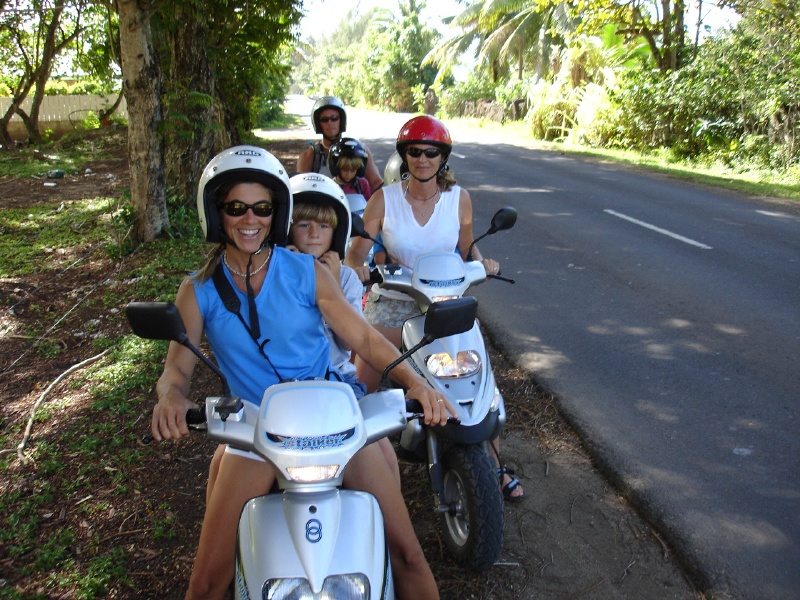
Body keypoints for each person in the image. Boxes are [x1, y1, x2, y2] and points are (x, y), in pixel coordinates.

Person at [151, 145, 454, 600]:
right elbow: (177, 366)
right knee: (207, 580)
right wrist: (171, 397)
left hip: (334, 421)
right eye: (237, 208)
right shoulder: (198, 291)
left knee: (406, 553)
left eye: (262, 208)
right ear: (216, 213)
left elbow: (365, 339)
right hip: (256, 432)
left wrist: (418, 383)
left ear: (276, 213)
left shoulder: (306, 270)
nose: (250, 219)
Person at [343, 116, 524, 503]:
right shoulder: (384, 199)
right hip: (394, 302)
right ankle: (344, 459)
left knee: (473, 379)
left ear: (442, 157)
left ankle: (492, 460)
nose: (422, 159)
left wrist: (481, 262)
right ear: (404, 156)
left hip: (443, 303)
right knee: (361, 387)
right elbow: (356, 252)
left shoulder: (459, 198)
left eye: (431, 152)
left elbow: (464, 248)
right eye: (414, 151)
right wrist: (358, 267)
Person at [287, 171, 400, 485]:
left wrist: (332, 284)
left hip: (338, 384)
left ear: (336, 235)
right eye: (304, 225)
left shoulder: (347, 279)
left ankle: (384, 530)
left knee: (385, 457)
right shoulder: (274, 273)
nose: (313, 234)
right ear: (287, 231)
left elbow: (348, 342)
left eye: (324, 226)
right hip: (288, 386)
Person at [296, 95, 384, 191]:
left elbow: (376, 183)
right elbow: (301, 189)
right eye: (324, 119)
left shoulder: (359, 151)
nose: (330, 123)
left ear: (341, 121)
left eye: (334, 118)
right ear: (318, 123)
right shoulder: (309, 156)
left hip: (356, 204)